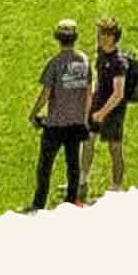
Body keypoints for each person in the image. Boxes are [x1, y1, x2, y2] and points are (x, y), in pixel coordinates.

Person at [27, 18, 92, 212]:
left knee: (45, 167)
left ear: (58, 39)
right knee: (73, 164)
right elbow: (88, 91)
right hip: (76, 122)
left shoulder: (54, 64)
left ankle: (38, 205)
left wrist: (33, 114)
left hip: (55, 124)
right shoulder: (83, 61)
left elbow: (46, 94)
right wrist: (85, 117)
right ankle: (71, 202)